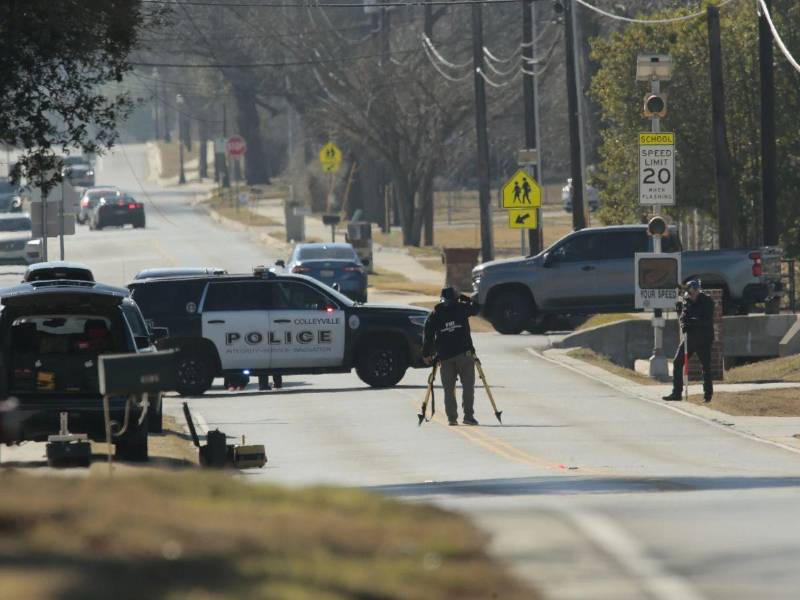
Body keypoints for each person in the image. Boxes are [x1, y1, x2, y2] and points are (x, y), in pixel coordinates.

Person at [423, 287, 481, 426]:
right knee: (468, 387)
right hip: (464, 354)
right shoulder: (462, 308)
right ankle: (468, 416)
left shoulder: (435, 313)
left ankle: (452, 419)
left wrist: (426, 353)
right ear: (456, 298)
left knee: (448, 390)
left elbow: (428, 334)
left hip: (445, 357)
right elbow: (477, 308)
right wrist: (465, 297)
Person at [663, 280, 715, 402]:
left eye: (692, 290)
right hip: (690, 338)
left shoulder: (707, 301)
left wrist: (692, 322)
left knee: (706, 367)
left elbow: (706, 320)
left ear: (697, 290)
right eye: (689, 291)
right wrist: (683, 324)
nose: (690, 293)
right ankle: (676, 393)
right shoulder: (687, 301)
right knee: (677, 362)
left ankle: (708, 395)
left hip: (704, 338)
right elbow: (683, 317)